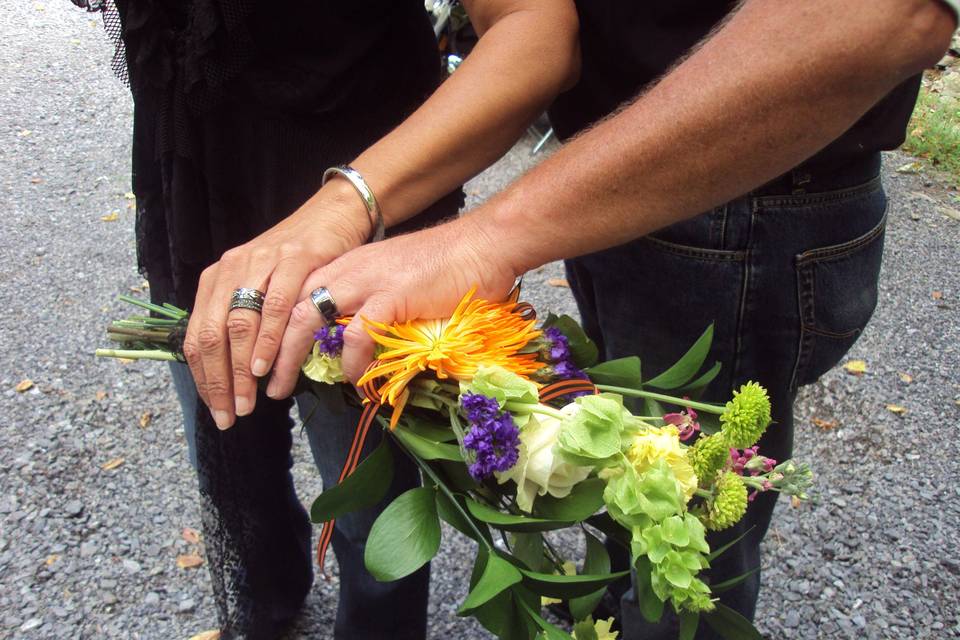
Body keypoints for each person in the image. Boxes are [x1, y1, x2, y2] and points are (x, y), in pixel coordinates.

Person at [266, 0, 958, 637]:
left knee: (690, 526)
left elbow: (889, 14)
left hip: (745, 199)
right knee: (634, 455)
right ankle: (620, 601)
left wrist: (484, 237)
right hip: (610, 184)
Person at [75, 0, 579, 638]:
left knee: (370, 501)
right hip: (192, 203)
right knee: (231, 459)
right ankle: (268, 599)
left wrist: (349, 206)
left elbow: (537, 27)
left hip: (366, 232)